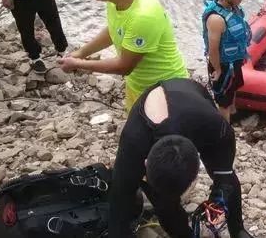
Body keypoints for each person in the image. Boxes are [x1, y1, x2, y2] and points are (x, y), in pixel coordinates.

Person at [107, 78, 253, 238]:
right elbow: (118, 202)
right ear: (146, 162)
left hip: (194, 97)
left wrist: (222, 188)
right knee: (126, 191)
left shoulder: (218, 131)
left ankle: (238, 230)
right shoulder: (134, 140)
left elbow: (225, 174)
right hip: (158, 107)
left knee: (225, 179)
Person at [58, 0, 188, 109]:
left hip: (165, 90)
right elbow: (113, 31)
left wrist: (78, 63)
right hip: (137, 85)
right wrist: (81, 53)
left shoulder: (144, 15)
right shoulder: (117, 0)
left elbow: (124, 66)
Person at [202, 0, 252, 122]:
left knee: (234, 87)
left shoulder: (233, 9)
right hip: (223, 65)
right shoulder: (216, 19)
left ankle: (233, 112)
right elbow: (213, 49)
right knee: (223, 100)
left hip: (234, 60)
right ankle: (225, 128)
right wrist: (217, 69)